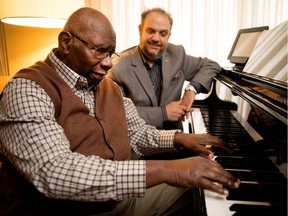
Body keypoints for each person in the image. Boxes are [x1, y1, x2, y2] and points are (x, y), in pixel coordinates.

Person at [0, 7, 240, 216]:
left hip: (119, 201)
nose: (107, 63)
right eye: (98, 51)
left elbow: (136, 134)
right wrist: (169, 169)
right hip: (67, 211)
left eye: (110, 53)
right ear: (66, 42)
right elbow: (55, 172)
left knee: (208, 193)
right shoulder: (26, 89)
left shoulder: (108, 86)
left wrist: (181, 139)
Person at [108, 7, 222, 130]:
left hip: (176, 141)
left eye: (163, 34)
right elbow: (116, 112)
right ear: (140, 30)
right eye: (151, 31)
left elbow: (211, 65)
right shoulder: (119, 66)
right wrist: (163, 113)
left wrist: (191, 90)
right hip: (138, 145)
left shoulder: (177, 55)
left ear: (168, 35)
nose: (156, 38)